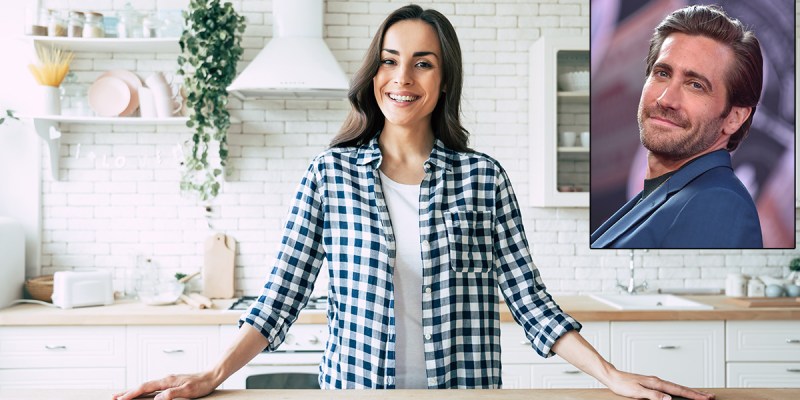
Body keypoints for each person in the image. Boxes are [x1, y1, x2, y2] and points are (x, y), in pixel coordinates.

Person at [115, 5, 714, 400]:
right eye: (390, 60)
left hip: (464, 391)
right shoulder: (329, 175)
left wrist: (612, 376)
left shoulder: (483, 179)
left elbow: (532, 305)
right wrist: (213, 373)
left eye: (422, 63)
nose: (402, 77)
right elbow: (279, 300)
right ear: (374, 73)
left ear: (443, 78)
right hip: (355, 391)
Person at [590, 4, 763, 249]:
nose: (666, 100)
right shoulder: (659, 196)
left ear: (734, 117)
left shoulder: (718, 205)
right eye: (662, 73)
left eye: (696, 85)